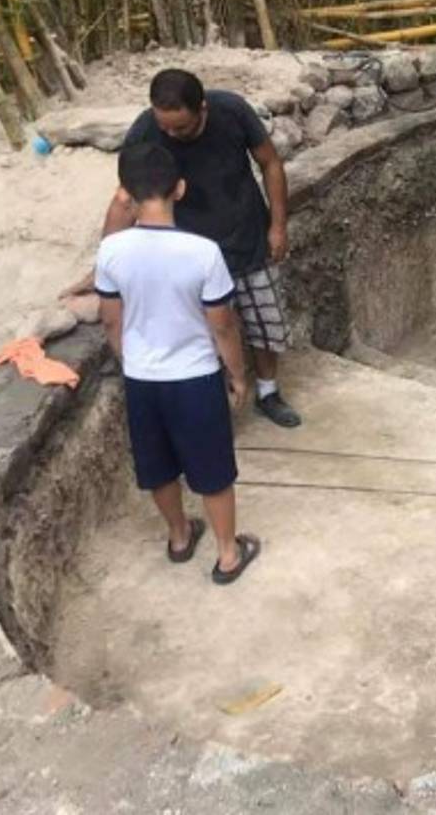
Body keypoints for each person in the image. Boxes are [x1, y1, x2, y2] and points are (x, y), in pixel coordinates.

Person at [87, 68, 301, 428]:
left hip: (246, 238)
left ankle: (268, 391)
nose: (170, 134)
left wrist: (278, 225)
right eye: (165, 127)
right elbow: (126, 199)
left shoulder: (232, 111)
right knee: (202, 333)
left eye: (180, 128)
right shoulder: (144, 131)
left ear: (202, 108)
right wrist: (106, 262)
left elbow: (270, 163)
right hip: (189, 258)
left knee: (266, 322)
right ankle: (218, 400)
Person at [96, 142, 261, 585]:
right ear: (181, 188)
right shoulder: (203, 253)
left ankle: (179, 536)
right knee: (212, 469)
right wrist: (238, 374)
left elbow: (111, 319)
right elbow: (223, 327)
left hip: (142, 377)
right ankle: (228, 554)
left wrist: (129, 358)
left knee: (158, 464)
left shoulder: (110, 251)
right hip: (195, 377)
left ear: (125, 193)